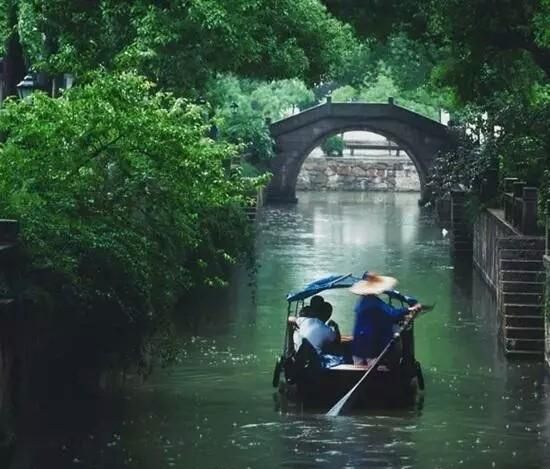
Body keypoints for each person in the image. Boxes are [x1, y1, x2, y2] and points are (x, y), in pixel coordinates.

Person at [350, 271, 421, 366]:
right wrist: (409, 309)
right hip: (372, 348)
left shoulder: (361, 303)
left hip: (359, 348)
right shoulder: (374, 303)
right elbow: (392, 314)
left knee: (359, 367)